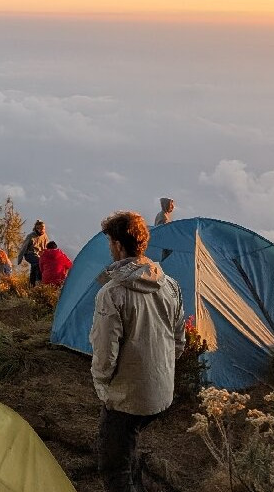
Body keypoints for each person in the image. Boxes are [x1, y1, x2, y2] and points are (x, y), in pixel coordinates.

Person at [90, 210, 185, 492]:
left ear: (118, 244)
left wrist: (103, 385)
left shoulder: (112, 293)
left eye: (110, 242)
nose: (110, 248)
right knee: (129, 440)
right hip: (161, 391)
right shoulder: (169, 286)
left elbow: (105, 356)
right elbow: (178, 341)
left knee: (113, 465)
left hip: (127, 397)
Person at [17, 219, 49, 286]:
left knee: (34, 267)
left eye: (44, 229)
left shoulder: (45, 236)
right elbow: (23, 247)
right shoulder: (31, 236)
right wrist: (19, 259)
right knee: (38, 263)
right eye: (41, 229)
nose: (43, 230)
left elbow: (46, 247)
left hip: (38, 255)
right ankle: (38, 281)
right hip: (29, 254)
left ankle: (31, 284)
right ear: (37, 229)